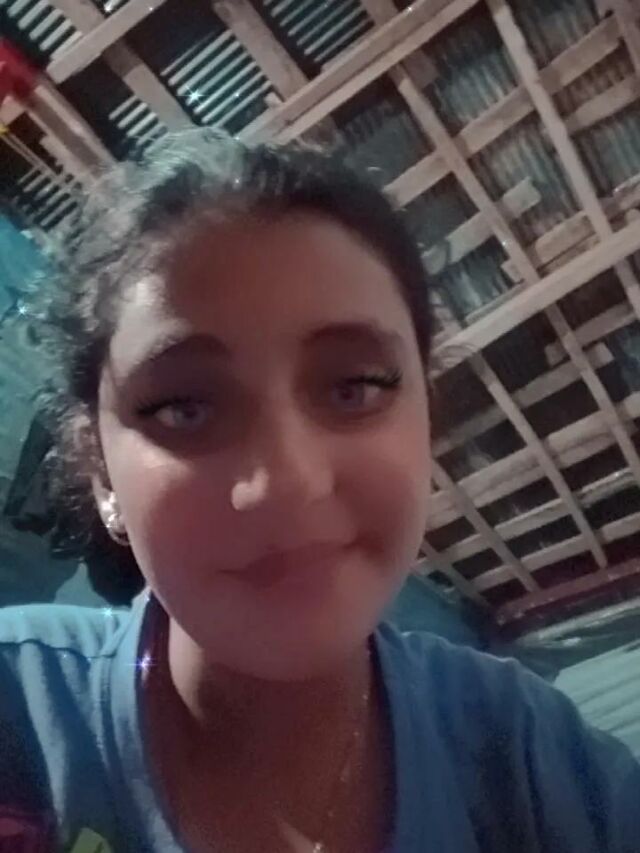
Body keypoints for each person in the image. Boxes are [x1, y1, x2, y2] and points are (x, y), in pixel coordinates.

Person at [0, 128, 638, 853]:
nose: (287, 481)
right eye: (184, 407)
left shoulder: (531, 763)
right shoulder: (19, 712)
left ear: (425, 414)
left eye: (353, 386)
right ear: (100, 472)